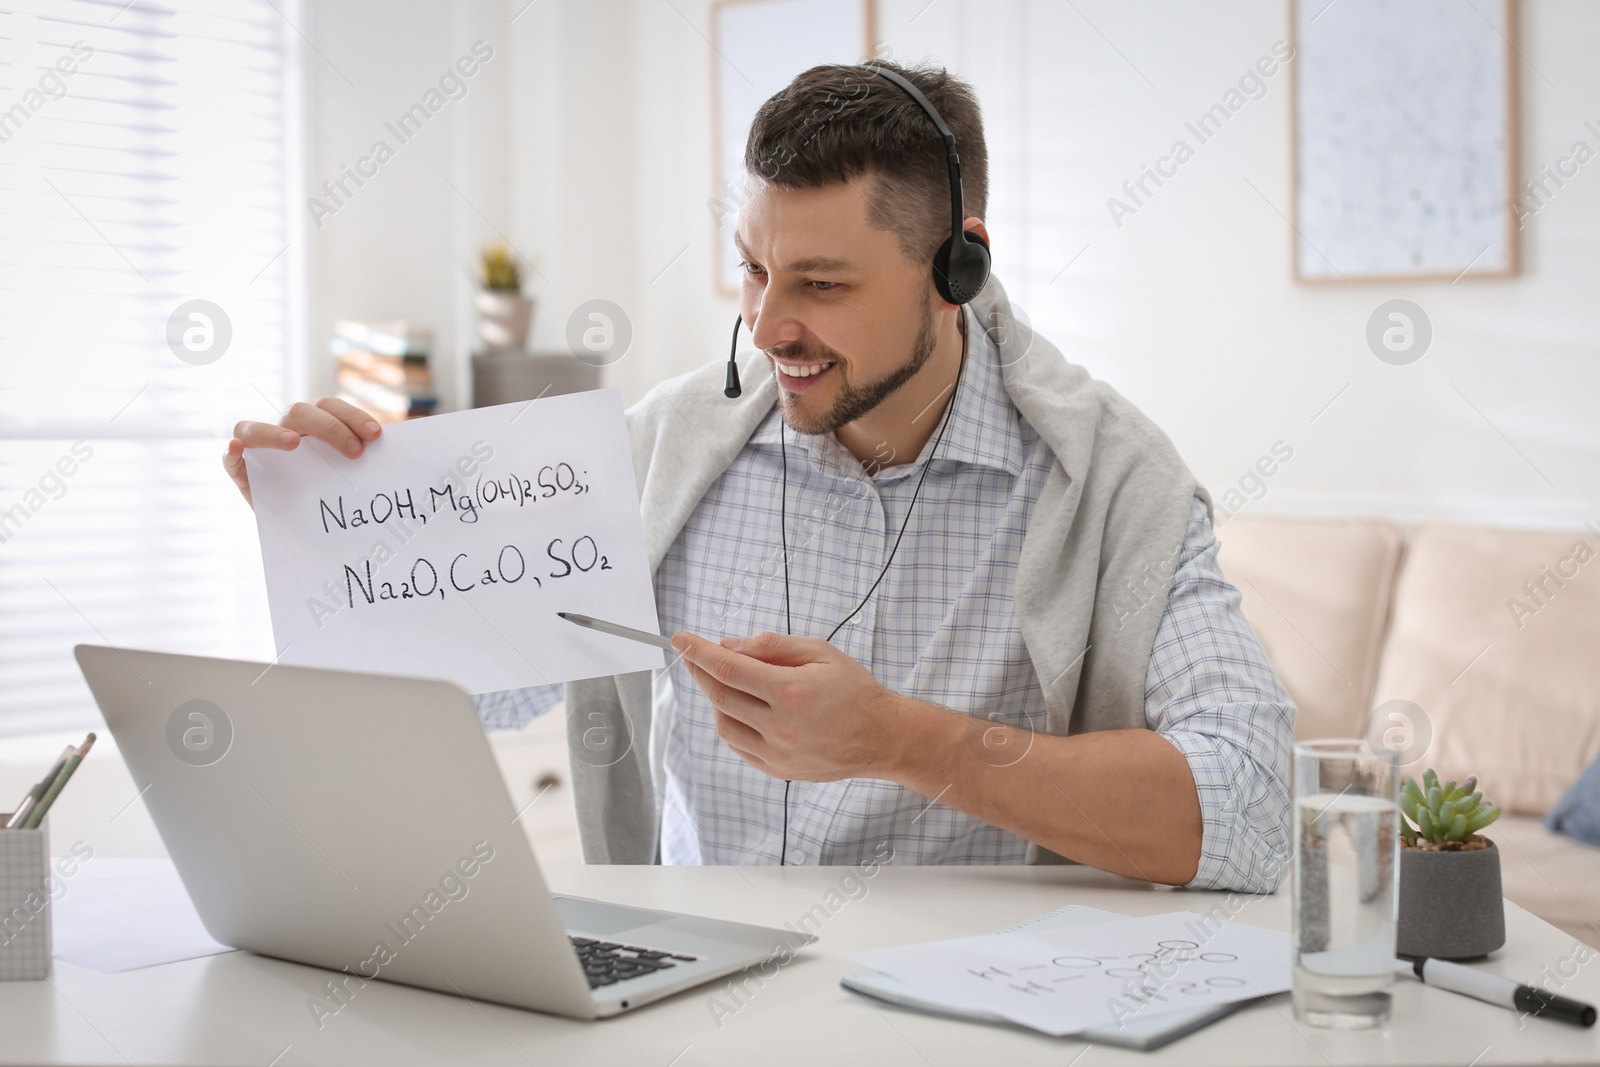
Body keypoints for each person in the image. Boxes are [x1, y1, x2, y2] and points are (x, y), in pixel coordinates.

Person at [225, 60, 1294, 893]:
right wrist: (337, 532)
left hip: (974, 1014)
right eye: (751, 265)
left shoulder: (1114, 483)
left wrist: (899, 740)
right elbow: (470, 690)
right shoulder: (664, 448)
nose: (768, 325)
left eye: (822, 283)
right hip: (694, 992)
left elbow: (1250, 802)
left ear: (956, 268)